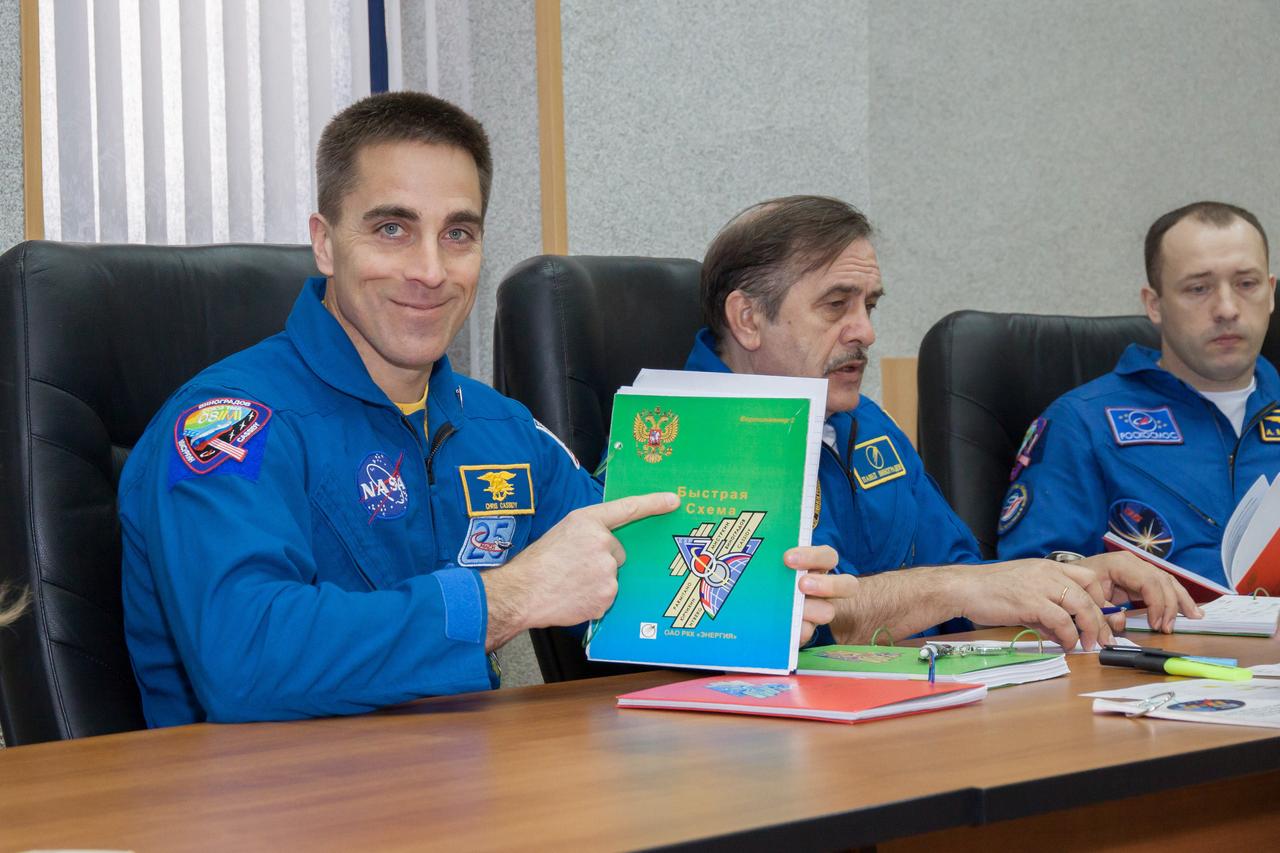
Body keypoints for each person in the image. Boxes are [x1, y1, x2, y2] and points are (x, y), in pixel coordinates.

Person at [119, 93, 849, 728]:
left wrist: (765, 599)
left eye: (458, 234)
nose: (431, 271)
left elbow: (640, 583)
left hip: (461, 791)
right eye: (392, 228)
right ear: (325, 244)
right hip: (267, 806)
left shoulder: (502, 429)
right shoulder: (230, 424)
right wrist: (508, 597)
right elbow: (243, 657)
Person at [690, 195, 1198, 649]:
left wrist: (1071, 581)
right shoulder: (683, 440)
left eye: (869, 306)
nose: (865, 332)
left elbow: (963, 576)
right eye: (836, 305)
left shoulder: (864, 423)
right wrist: (955, 589)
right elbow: (780, 615)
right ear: (748, 319)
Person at [999, 202, 1277, 590]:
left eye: (1247, 284)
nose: (1227, 309)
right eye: (1198, 288)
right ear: (1154, 305)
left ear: (1271, 293)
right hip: (1158, 630)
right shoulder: (1081, 424)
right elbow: (1025, 588)